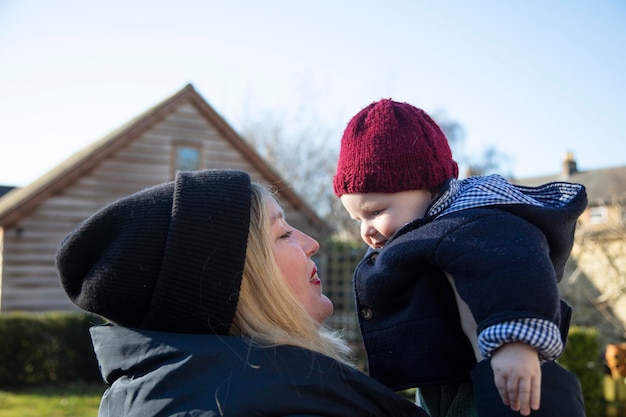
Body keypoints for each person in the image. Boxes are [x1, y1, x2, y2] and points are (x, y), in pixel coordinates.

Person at [56, 169, 428, 417]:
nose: (312, 244)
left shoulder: (151, 396)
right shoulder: (287, 407)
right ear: (237, 284)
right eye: (283, 234)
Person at [333, 99, 587, 417]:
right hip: (443, 379)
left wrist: (516, 345)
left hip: (494, 371)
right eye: (358, 220)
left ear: (427, 188)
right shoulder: (424, 230)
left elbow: (515, 270)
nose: (366, 231)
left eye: (376, 212)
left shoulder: (476, 222)